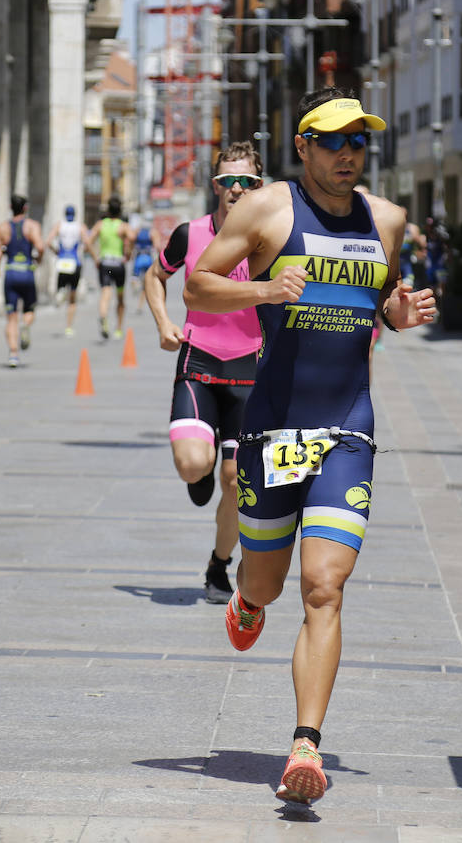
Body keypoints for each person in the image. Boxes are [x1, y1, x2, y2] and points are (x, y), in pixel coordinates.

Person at [183, 88, 437, 804]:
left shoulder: (386, 219)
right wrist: (263, 292)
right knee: (266, 583)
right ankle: (247, 598)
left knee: (324, 586)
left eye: (358, 140)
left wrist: (399, 312)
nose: (347, 153)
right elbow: (198, 288)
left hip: (347, 427)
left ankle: (305, 746)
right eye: (332, 140)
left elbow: (380, 299)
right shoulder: (266, 210)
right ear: (302, 146)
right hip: (272, 429)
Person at [145, 141, 265, 605]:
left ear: (259, 185)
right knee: (194, 465)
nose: (236, 188)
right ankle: (200, 468)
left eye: (246, 181)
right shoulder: (190, 234)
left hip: (250, 371)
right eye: (227, 180)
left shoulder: (270, 241)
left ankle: (219, 564)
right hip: (199, 361)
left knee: (237, 482)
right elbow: (155, 276)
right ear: (215, 185)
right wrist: (163, 324)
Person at [0, 193, 42, 368]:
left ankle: (13, 354)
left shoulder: (2, 228)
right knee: (29, 309)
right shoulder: (32, 226)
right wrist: (38, 259)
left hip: (11, 273)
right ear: (25, 208)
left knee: (11, 317)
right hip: (27, 273)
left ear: (10, 207)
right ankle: (26, 325)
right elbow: (40, 247)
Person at [87, 195, 131, 339]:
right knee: (120, 297)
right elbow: (131, 237)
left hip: (105, 263)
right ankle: (118, 328)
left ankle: (103, 317)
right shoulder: (123, 226)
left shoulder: (100, 224)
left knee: (105, 293)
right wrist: (128, 253)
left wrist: (96, 258)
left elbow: (88, 242)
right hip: (118, 264)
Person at [46, 205, 84, 335]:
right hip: (75, 262)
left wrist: (56, 251)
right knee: (72, 299)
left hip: (62, 262)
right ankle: (69, 326)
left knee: (61, 287)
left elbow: (48, 241)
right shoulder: (79, 227)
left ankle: (60, 293)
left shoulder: (59, 226)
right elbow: (88, 242)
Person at [130, 214, 156, 314]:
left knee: (134, 278)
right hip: (148, 259)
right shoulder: (153, 232)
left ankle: (135, 285)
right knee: (146, 285)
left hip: (138, 259)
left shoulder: (137, 231)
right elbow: (157, 246)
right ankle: (140, 305)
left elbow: (131, 241)